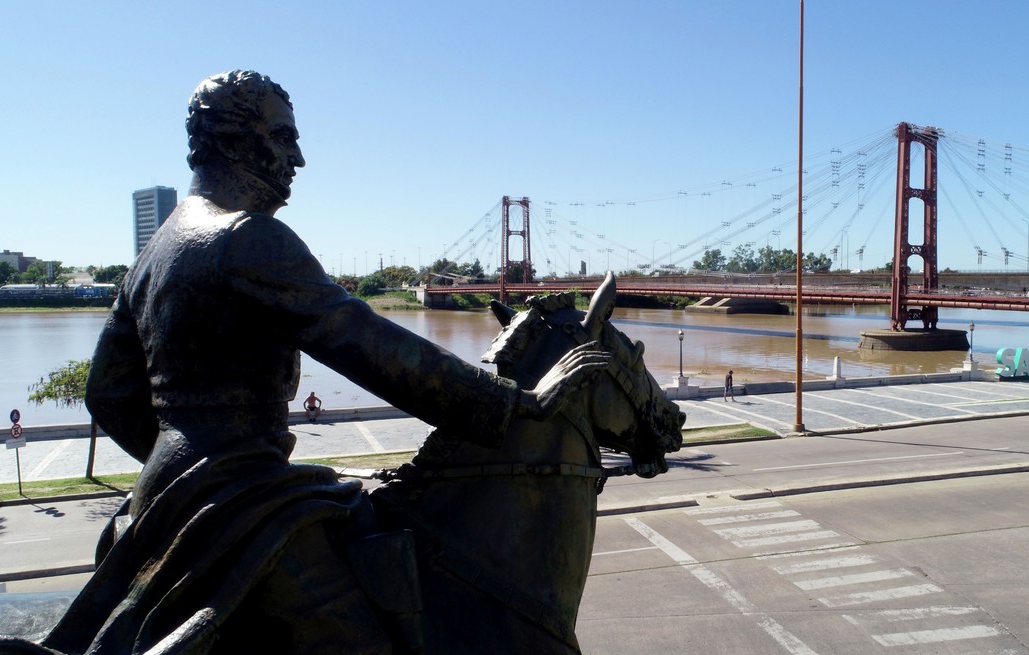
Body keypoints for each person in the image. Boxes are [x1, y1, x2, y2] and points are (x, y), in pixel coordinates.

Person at [36, 70, 608, 655]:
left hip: (176, 486)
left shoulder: (155, 250)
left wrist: (182, 467)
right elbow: (369, 344)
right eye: (283, 137)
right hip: (241, 493)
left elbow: (106, 394)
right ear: (234, 139)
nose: (298, 158)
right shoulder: (246, 237)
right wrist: (517, 403)